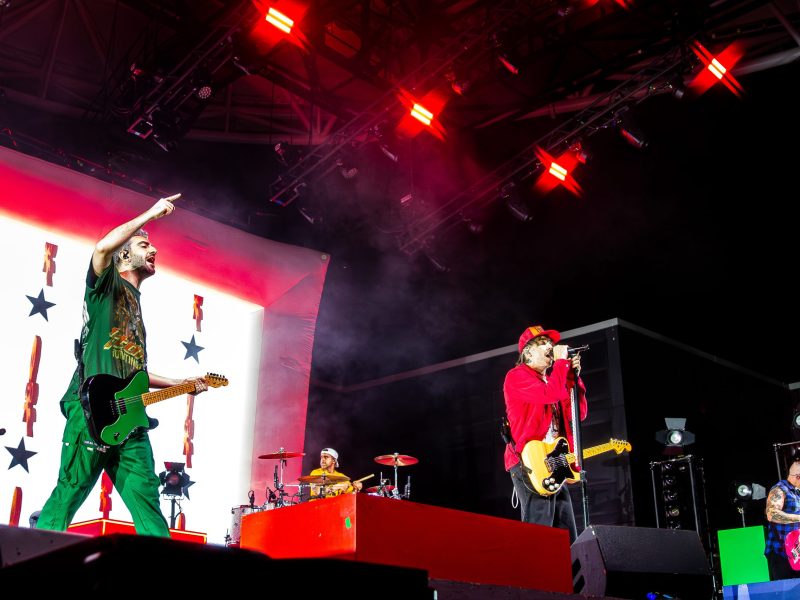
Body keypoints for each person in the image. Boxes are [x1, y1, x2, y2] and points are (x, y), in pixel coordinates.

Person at [36, 195, 208, 537]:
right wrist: (151, 213)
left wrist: (183, 382)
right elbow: (101, 249)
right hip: (90, 411)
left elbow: (136, 377)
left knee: (148, 503)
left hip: (128, 422)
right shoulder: (105, 286)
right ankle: (33, 561)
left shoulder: (138, 312)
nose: (154, 250)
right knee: (69, 492)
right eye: (145, 245)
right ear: (125, 256)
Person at [503, 324, 587, 544]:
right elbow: (551, 395)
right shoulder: (516, 376)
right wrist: (561, 363)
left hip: (554, 460)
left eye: (552, 344)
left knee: (566, 533)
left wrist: (572, 378)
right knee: (540, 528)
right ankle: (533, 577)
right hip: (530, 459)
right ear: (527, 352)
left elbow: (578, 414)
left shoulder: (553, 380)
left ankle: (567, 576)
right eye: (543, 343)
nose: (551, 347)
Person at [764, 459, 800, 580]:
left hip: (797, 553)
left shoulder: (798, 493)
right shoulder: (780, 489)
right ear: (798, 477)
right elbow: (772, 514)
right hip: (781, 553)